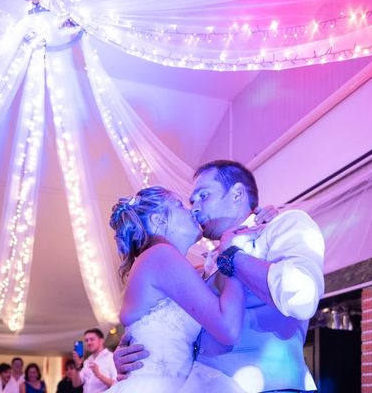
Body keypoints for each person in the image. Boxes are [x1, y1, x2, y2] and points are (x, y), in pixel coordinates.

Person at [115, 160, 325, 392]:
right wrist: (139, 351)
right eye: (189, 202)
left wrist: (234, 255)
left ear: (236, 193)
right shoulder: (202, 262)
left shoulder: (283, 225)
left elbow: (302, 298)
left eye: (203, 196)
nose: (194, 208)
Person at [100, 186, 247, 392]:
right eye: (179, 205)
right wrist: (233, 253)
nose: (192, 210)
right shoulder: (160, 256)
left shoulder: (163, 265)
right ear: (158, 220)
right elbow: (228, 329)